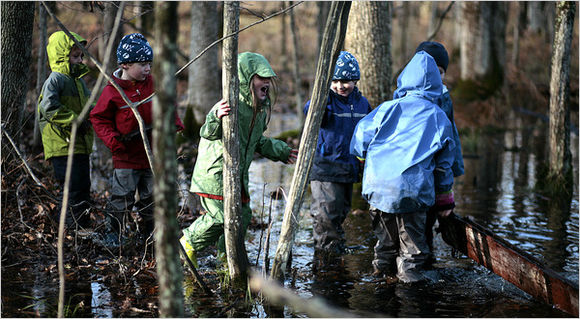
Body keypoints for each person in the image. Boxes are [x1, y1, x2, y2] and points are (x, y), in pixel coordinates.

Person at [180, 52, 298, 266]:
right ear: (246, 79)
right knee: (221, 217)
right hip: (215, 173)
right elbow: (207, 132)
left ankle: (227, 257)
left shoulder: (259, 110)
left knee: (242, 216)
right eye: (261, 78)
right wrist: (216, 115)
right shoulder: (230, 105)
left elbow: (257, 141)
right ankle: (188, 242)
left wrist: (281, 151)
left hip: (237, 175)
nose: (267, 83)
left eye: (268, 79)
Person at [350, 50, 456, 283]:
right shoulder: (438, 116)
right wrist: (445, 199)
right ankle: (410, 297)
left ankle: (380, 285)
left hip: (379, 189)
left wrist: (363, 161)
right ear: (437, 85)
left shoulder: (387, 108)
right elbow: (444, 166)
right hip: (412, 192)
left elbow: (359, 139)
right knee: (413, 252)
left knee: (385, 245)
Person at [90, 33, 183, 247]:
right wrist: (113, 141)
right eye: (142, 64)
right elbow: (98, 117)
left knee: (151, 197)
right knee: (122, 198)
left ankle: (149, 234)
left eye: (149, 64)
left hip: (151, 154)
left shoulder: (153, 84)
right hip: (126, 155)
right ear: (125, 64)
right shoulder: (113, 91)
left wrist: (174, 123)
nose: (148, 69)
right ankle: (114, 233)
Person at [303, 51, 371, 255]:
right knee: (326, 215)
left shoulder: (362, 103)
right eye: (336, 81)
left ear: (355, 81)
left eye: (346, 81)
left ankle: (336, 250)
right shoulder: (326, 101)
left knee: (341, 212)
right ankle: (325, 257)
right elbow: (310, 112)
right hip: (325, 167)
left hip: (348, 168)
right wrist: (321, 95)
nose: (341, 86)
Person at [38, 30, 94, 229]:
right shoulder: (56, 80)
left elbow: (89, 106)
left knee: (83, 185)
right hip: (63, 144)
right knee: (72, 187)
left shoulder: (77, 82)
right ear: (62, 56)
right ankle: (71, 227)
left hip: (79, 144)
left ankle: (81, 225)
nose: (80, 60)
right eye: (75, 56)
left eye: (81, 56)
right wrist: (76, 122)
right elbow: (48, 107)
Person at [414, 41, 464, 257]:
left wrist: (455, 167)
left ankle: (428, 256)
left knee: (432, 215)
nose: (435, 75)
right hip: (416, 170)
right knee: (416, 218)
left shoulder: (444, 98)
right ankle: (417, 255)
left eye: (440, 71)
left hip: (438, 167)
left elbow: (451, 134)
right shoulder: (409, 95)